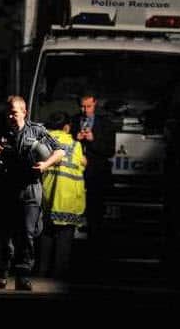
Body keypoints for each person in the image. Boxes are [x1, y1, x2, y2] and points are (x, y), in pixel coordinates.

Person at [0, 95, 65, 291]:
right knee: (4, 236)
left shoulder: (37, 130)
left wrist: (45, 164)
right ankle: (3, 268)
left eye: (14, 112)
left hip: (30, 189)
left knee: (27, 234)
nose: (11, 116)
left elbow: (60, 151)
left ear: (24, 112)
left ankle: (23, 275)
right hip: (5, 190)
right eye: (8, 112)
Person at [69, 91, 115, 269]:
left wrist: (93, 140)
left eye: (88, 106)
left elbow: (109, 150)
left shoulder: (106, 124)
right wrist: (75, 139)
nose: (85, 110)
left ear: (95, 104)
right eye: (82, 106)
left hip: (96, 175)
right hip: (75, 175)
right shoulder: (73, 121)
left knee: (96, 214)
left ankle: (95, 252)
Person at [38, 112, 86, 280]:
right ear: (66, 127)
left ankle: (42, 271)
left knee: (45, 236)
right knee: (64, 239)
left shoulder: (42, 143)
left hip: (46, 196)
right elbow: (81, 165)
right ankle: (59, 274)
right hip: (68, 200)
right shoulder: (75, 145)